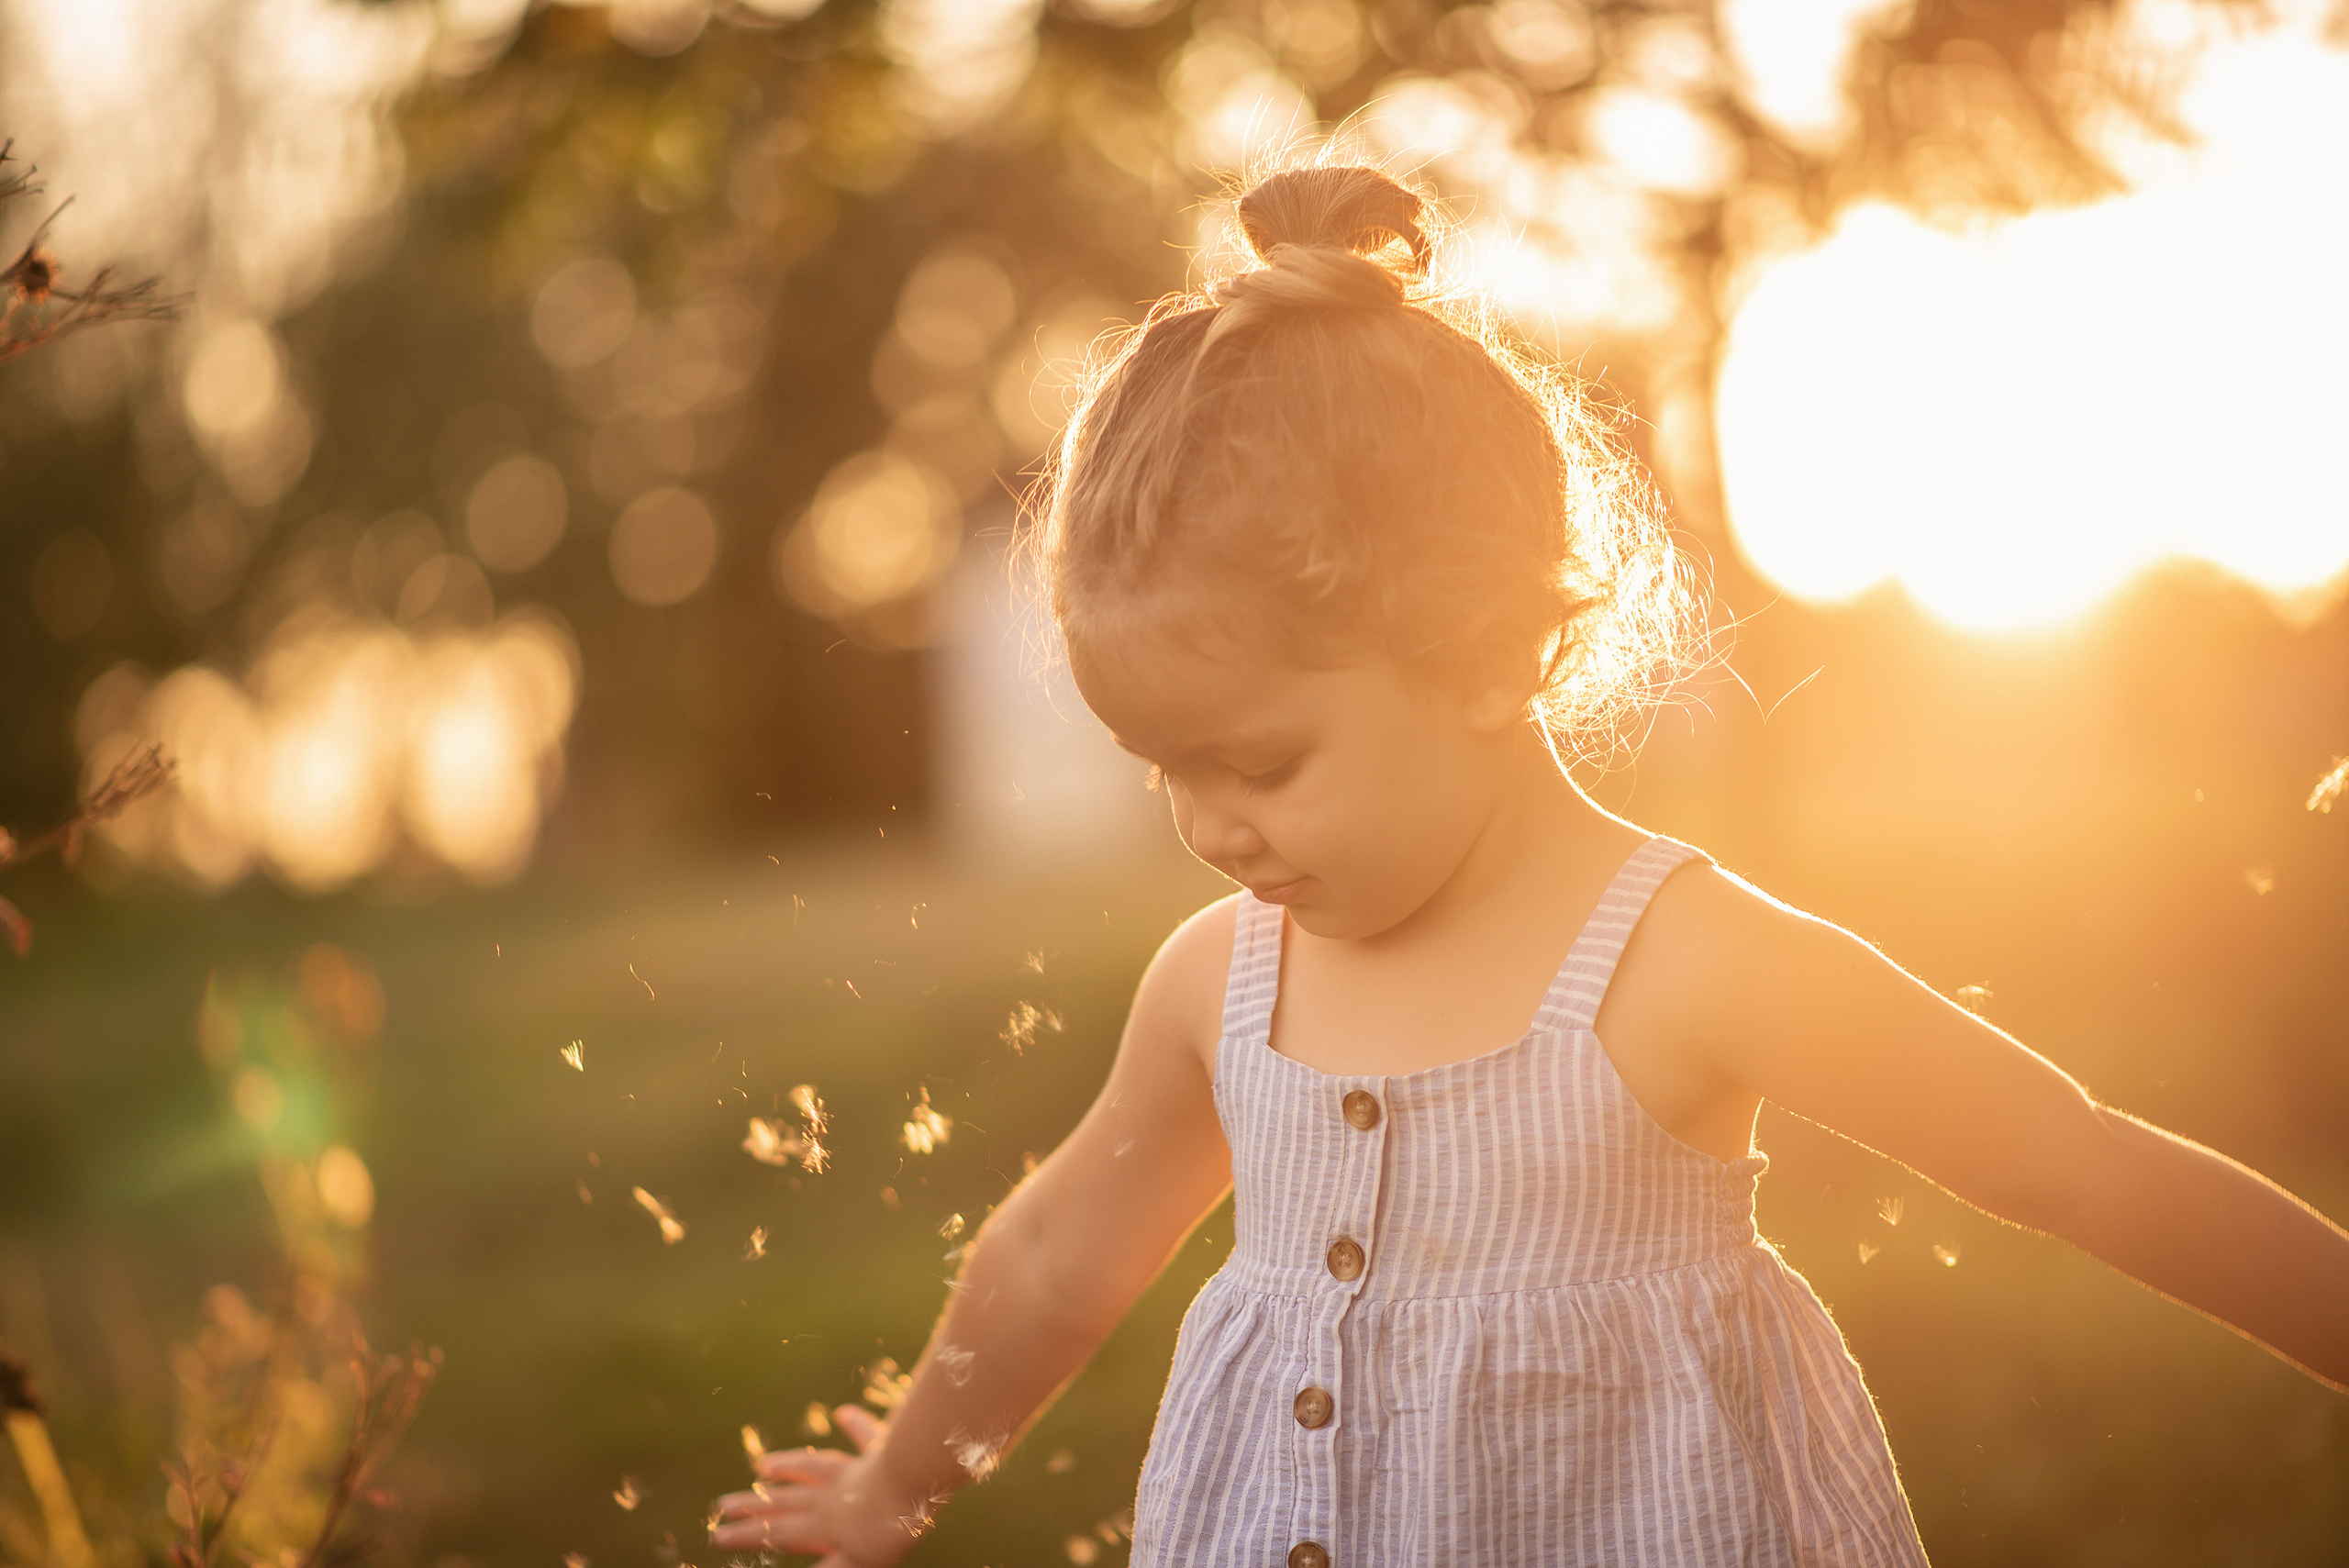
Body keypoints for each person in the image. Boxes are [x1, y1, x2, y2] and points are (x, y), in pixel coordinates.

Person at [709, 164, 2349, 1567]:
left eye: (1262, 763)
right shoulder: (1223, 985)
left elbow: (2074, 1162)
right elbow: (1059, 1251)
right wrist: (894, 1481)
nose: (1210, 825)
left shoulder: (1683, 961)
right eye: (1166, 770)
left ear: (1488, 653)